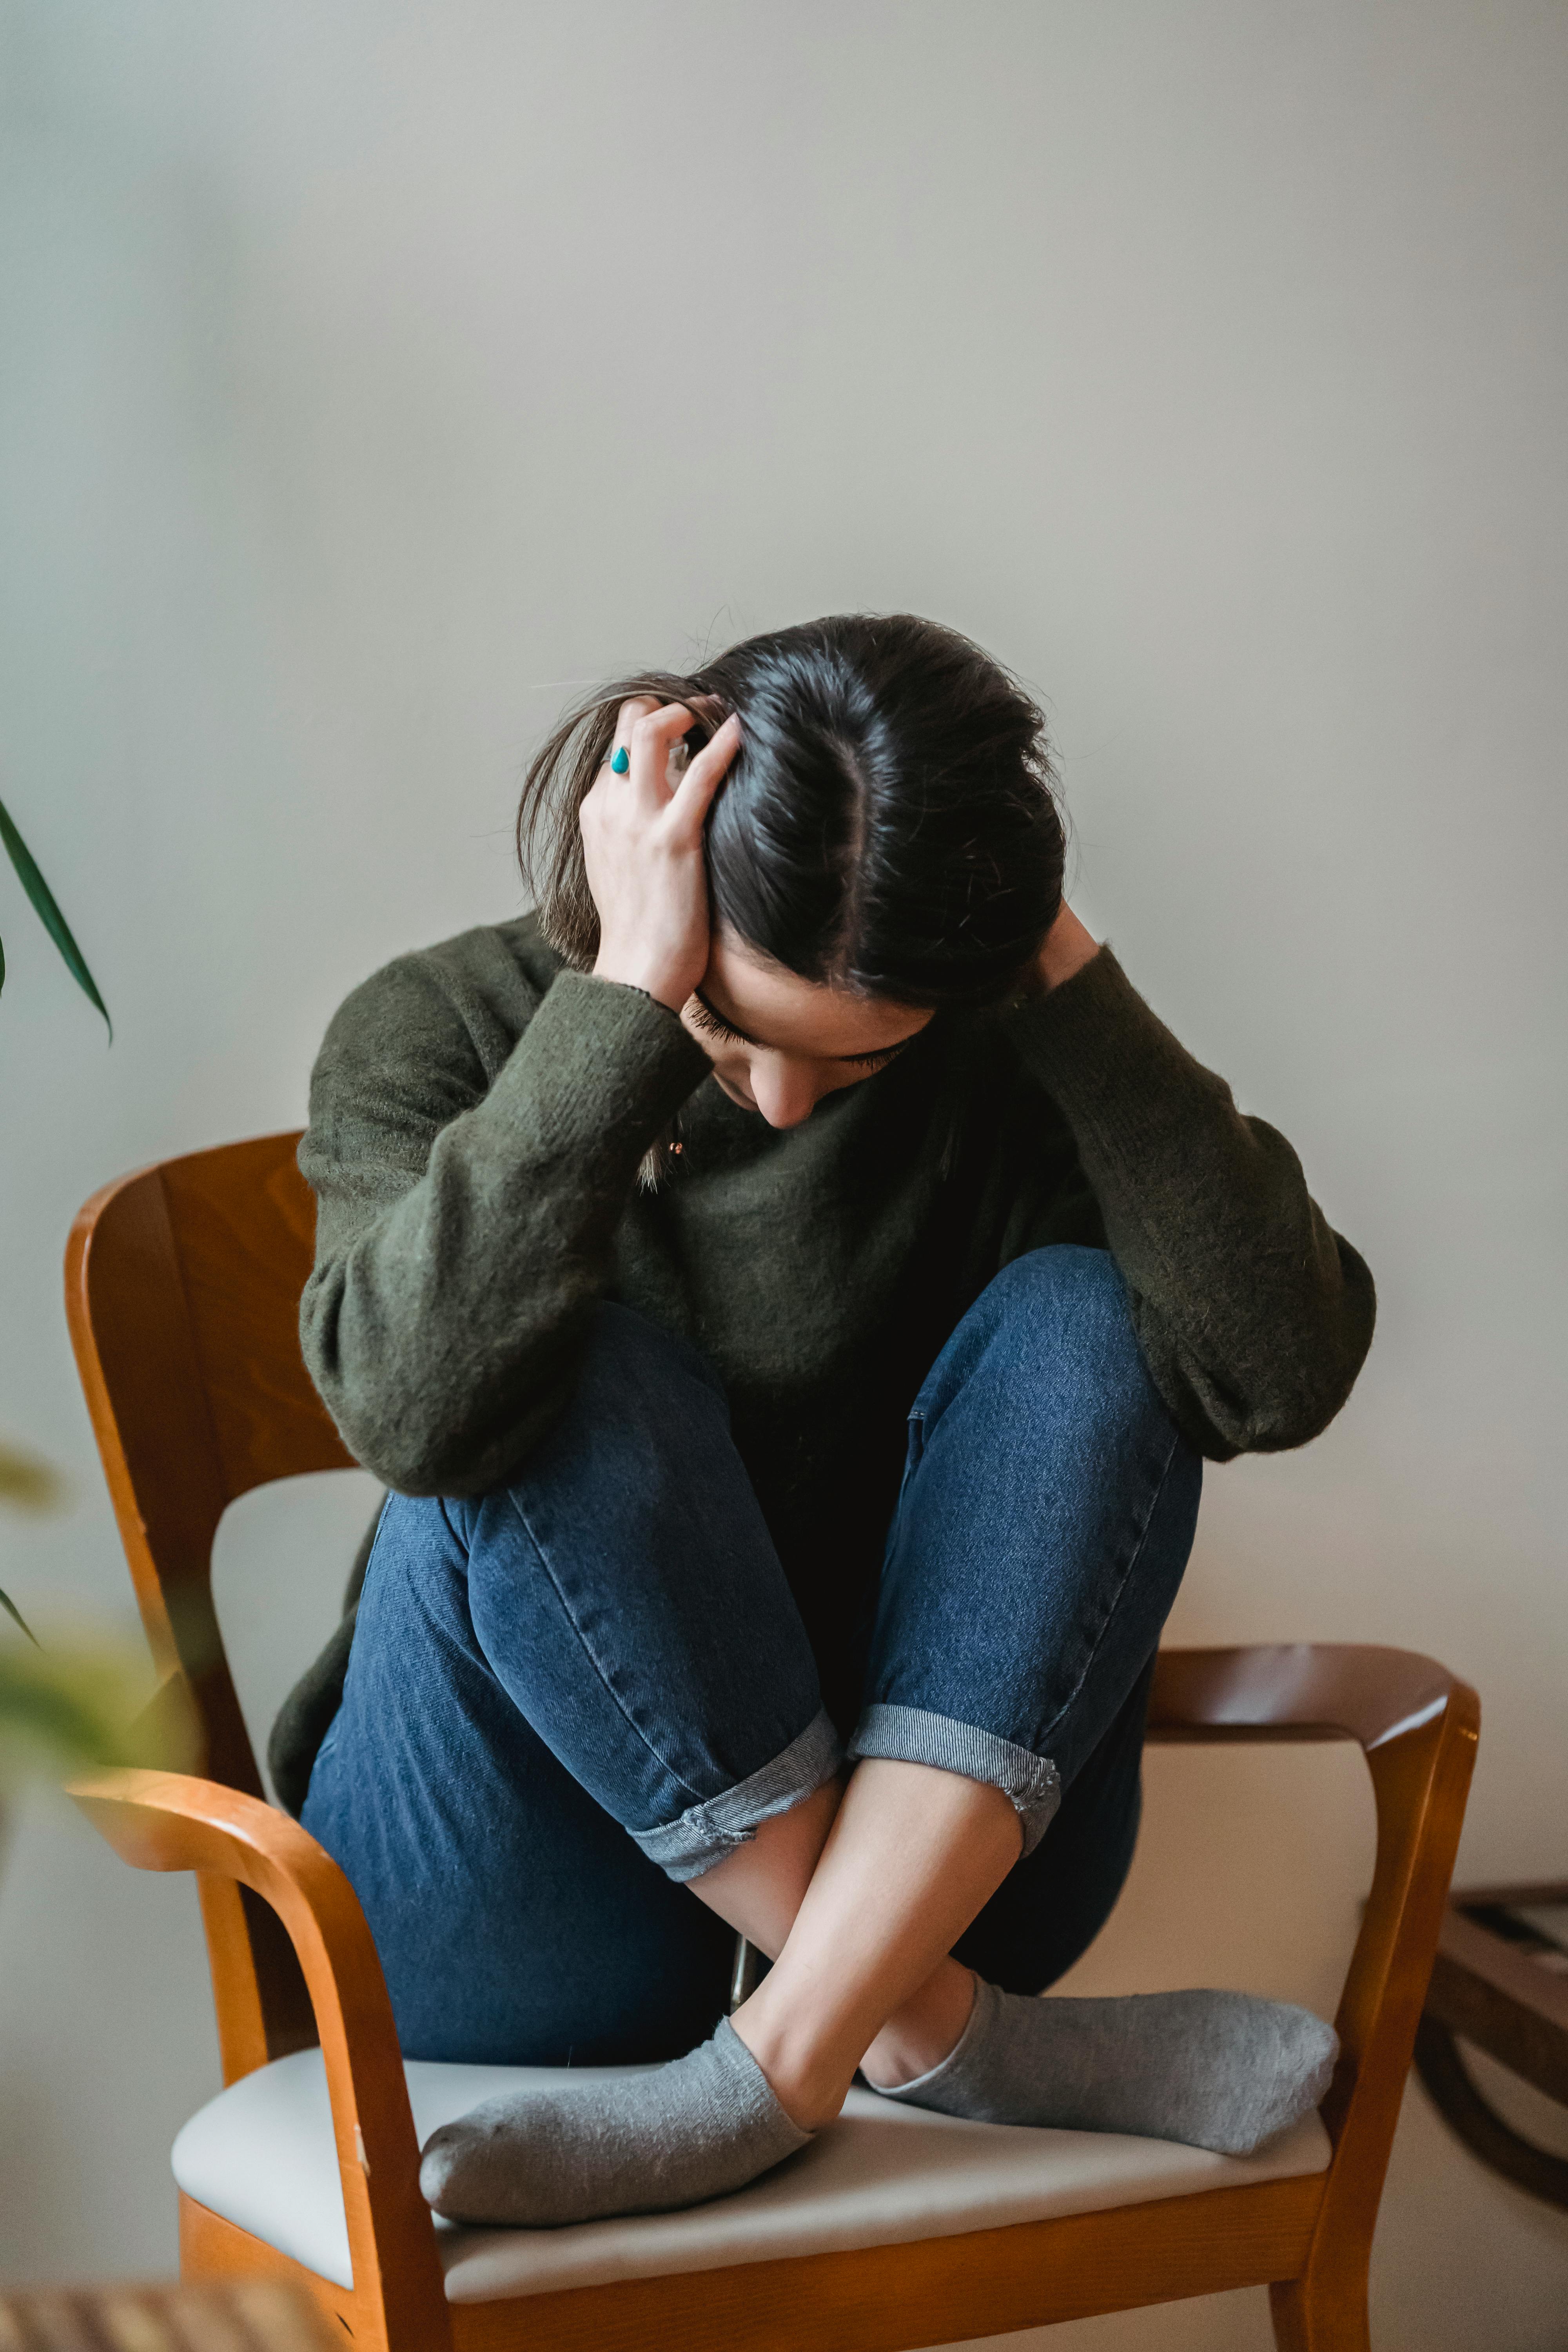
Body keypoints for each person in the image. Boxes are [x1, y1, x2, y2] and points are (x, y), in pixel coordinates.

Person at [275, 613, 1374, 2229]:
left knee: (1092, 1322)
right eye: (736, 1026)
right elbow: (413, 1412)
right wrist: (625, 1010)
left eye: (851, 1066)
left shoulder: (995, 1055)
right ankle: (928, 2030)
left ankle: (780, 2057)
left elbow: (1272, 1372)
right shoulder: (438, 1030)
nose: (783, 1102)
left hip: (940, 1847)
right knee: (557, 1370)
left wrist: (1059, 976)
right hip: (505, 1892)